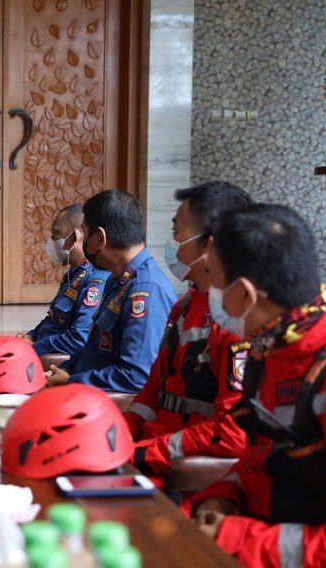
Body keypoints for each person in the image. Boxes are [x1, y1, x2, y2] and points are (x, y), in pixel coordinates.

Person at [191, 204, 326, 567]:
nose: (206, 292)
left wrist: (239, 537)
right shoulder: (273, 346)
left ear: (244, 294)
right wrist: (224, 496)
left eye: (211, 277)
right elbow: (263, 457)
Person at [124, 182, 251, 484]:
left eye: (177, 232)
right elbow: (154, 388)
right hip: (147, 455)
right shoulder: (184, 306)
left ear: (207, 243)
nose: (173, 242)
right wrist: (121, 431)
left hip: (176, 472)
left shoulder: (238, 319)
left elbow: (233, 432)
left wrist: (144, 453)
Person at [46, 189, 176, 392]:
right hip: (84, 389)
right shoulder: (118, 279)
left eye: (86, 235)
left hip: (101, 403)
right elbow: (94, 349)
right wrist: (63, 371)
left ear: (100, 238)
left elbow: (136, 377)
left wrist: (71, 381)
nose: (84, 243)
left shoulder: (144, 291)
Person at [17, 204, 109, 359]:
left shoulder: (94, 281)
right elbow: (53, 318)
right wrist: (31, 336)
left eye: (56, 234)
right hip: (44, 347)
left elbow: (78, 338)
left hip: (57, 359)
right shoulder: (73, 274)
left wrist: (35, 347)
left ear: (74, 237)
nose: (52, 241)